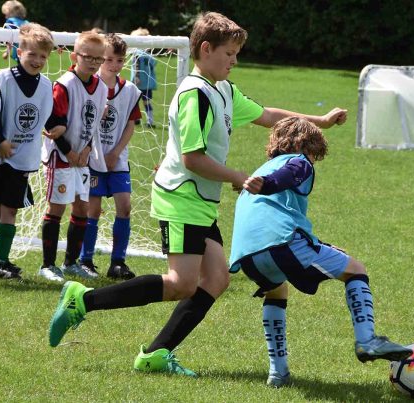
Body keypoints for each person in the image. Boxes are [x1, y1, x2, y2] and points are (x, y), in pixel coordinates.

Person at [47, 12, 347, 376]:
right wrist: (235, 175)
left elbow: (268, 115)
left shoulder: (223, 88)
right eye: (230, 53)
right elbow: (192, 159)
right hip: (182, 196)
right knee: (180, 284)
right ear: (206, 49)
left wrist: (320, 121)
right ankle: (83, 300)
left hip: (200, 199)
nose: (235, 60)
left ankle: (156, 354)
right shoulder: (195, 94)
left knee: (217, 279)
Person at [229, 116, 413, 387]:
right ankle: (367, 341)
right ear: (308, 147)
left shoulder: (263, 167)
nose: (314, 161)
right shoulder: (299, 162)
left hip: (246, 255)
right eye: (315, 155)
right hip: (283, 244)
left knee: (276, 290)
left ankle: (278, 373)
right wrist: (267, 184)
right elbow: (289, 175)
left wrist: (320, 246)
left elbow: (275, 216)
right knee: (356, 270)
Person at [0, 23, 54, 279]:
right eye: (32, 54)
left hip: (23, 157)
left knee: (9, 209)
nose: (37, 60)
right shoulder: (1, 80)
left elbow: (50, 117)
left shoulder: (47, 86)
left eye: (42, 56)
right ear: (18, 51)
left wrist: (57, 128)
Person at [39, 31, 108, 282]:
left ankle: (71, 262)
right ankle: (47, 264)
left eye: (98, 59)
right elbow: (53, 123)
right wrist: (71, 152)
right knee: (56, 207)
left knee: (83, 207)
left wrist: (87, 150)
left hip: (83, 156)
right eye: (87, 57)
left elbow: (94, 122)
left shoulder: (101, 86)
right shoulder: (64, 84)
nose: (93, 62)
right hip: (62, 155)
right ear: (75, 55)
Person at [78, 34, 142, 280]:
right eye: (109, 59)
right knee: (92, 210)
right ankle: (86, 259)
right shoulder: (88, 86)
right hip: (92, 159)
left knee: (124, 207)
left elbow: (130, 124)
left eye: (119, 60)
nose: (114, 65)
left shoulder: (130, 90)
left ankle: (118, 262)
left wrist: (116, 152)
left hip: (117, 159)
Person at [129, 28, 156, 128]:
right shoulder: (149, 56)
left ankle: (137, 119)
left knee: (135, 102)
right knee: (146, 102)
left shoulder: (136, 55)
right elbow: (154, 64)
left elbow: (136, 66)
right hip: (148, 83)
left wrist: (136, 76)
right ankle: (150, 121)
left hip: (138, 83)